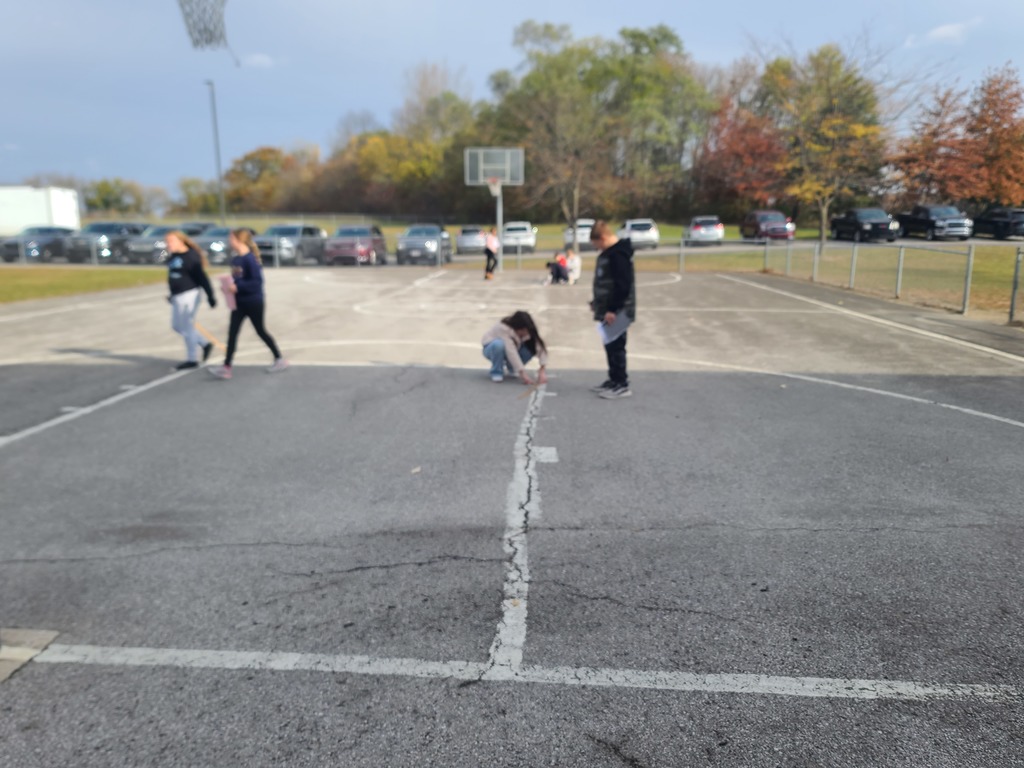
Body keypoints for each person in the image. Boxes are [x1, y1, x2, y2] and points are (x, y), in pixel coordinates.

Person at [207, 228, 288, 380]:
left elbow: (257, 282)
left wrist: (238, 287)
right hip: (239, 303)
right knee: (232, 334)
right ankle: (226, 367)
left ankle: (279, 359)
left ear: (239, 240)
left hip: (253, 302)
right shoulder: (236, 259)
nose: (228, 241)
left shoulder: (250, 259)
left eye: (231, 239)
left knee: (260, 331)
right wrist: (228, 287)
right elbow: (237, 279)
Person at [589, 219, 635, 399]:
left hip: (618, 311)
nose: (597, 248)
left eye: (597, 244)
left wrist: (612, 310)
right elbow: (607, 284)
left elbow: (622, 285)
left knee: (617, 346)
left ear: (603, 238)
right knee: (610, 344)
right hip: (607, 308)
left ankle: (622, 383)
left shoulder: (618, 255)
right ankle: (613, 379)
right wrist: (597, 303)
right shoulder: (610, 253)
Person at [166, 230, 216, 370]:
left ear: (181, 241)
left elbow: (202, 277)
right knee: (177, 326)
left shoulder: (191, 256)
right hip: (177, 295)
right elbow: (174, 275)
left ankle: (192, 359)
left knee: (187, 327)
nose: (168, 244)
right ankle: (204, 343)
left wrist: (210, 295)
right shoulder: (174, 256)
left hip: (189, 294)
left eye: (171, 241)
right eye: (167, 242)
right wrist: (171, 294)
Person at [481, 310, 549, 385]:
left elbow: (540, 347)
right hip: (491, 348)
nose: (525, 333)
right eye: (523, 330)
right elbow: (511, 351)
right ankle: (497, 371)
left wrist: (542, 369)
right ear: (516, 327)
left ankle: (512, 368)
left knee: (530, 347)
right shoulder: (502, 328)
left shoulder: (528, 330)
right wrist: (523, 374)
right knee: (499, 345)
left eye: (526, 330)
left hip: (515, 348)